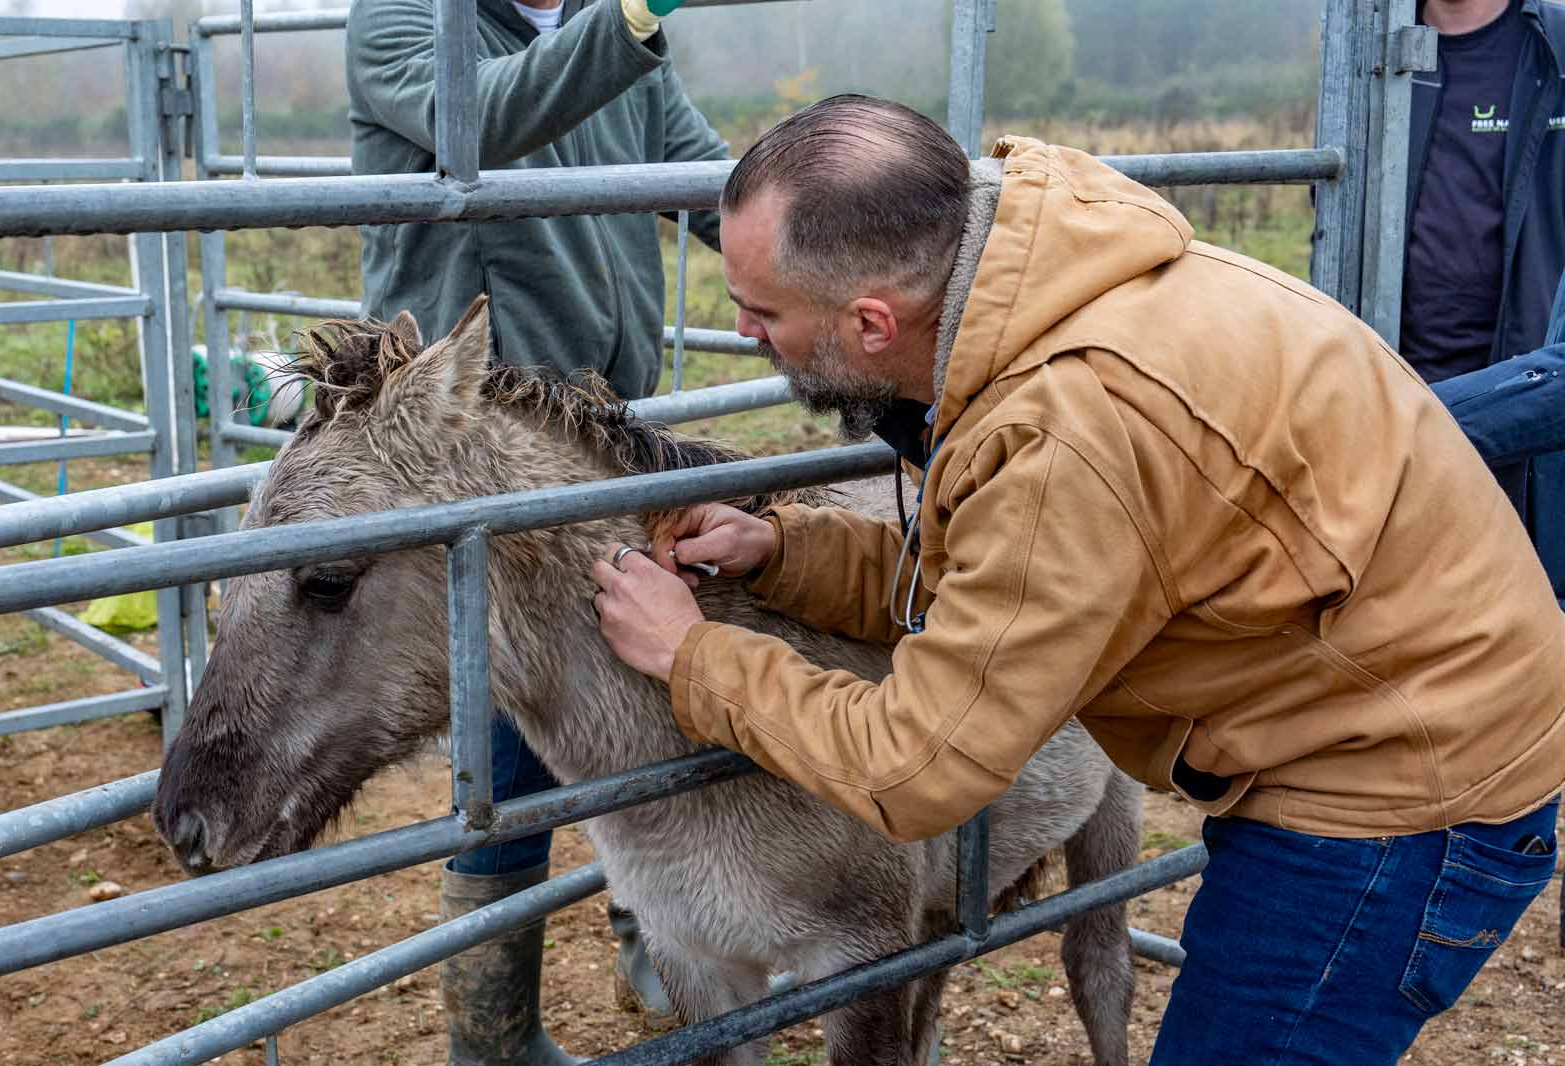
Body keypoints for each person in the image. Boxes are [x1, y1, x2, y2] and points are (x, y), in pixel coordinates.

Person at [589, 95, 1565, 1063]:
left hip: (1397, 796)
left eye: (762, 312)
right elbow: (1004, 576)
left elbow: (918, 766)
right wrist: (787, 552)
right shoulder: (1042, 283)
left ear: (872, 322)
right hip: (1395, 713)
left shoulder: (1064, 428)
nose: (749, 333)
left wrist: (693, 655)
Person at [347, 0, 724, 1059]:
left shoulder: (618, 31)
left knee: (636, 691)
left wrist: (815, 223)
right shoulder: (406, 19)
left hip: (601, 432)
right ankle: (495, 1031)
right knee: (512, 727)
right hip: (483, 442)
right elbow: (480, 122)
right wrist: (631, 17)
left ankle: (654, 939)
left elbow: (702, 172)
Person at [1402, 0, 1565, 605]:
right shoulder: (1372, 54)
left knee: (1518, 625)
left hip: (1528, 407)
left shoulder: (1556, 47)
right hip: (1394, 392)